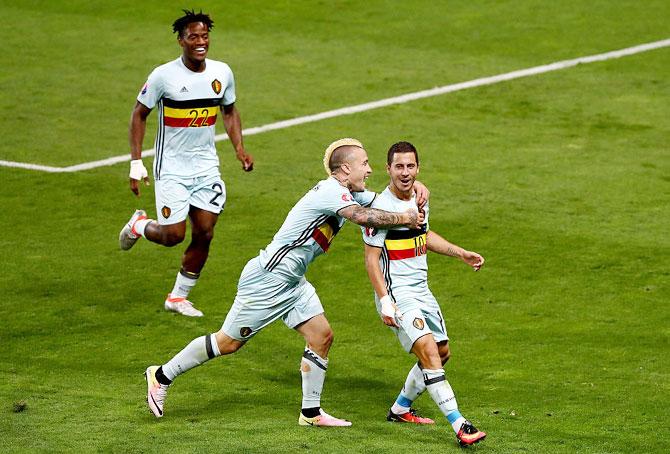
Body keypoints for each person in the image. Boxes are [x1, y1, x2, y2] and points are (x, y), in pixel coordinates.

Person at [144, 138, 428, 426]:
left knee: (321, 336)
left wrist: (413, 186)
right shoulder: (332, 192)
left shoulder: (350, 192)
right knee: (228, 343)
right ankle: (161, 374)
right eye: (364, 164)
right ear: (345, 169)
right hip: (269, 279)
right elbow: (363, 216)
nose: (368, 171)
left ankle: (311, 414)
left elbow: (382, 200)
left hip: (292, 281)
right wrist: (404, 216)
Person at [119, 9, 254, 317]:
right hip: (172, 169)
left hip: (206, 167)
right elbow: (138, 114)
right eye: (193, 36)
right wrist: (135, 163)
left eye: (205, 36)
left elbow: (229, 111)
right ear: (181, 41)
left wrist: (239, 149)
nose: (200, 42)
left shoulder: (222, 73)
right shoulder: (163, 76)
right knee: (172, 236)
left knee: (205, 231)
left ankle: (178, 297)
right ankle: (140, 224)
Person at [361, 141, 487, 446]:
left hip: (422, 291)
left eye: (411, 166)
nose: (405, 173)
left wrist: (460, 253)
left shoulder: (420, 197)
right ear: (388, 168)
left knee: (442, 353)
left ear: (418, 168)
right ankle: (461, 425)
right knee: (430, 352)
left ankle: (400, 408)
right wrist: (386, 302)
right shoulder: (379, 210)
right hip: (398, 295)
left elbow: (424, 235)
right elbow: (370, 260)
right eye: (399, 166)